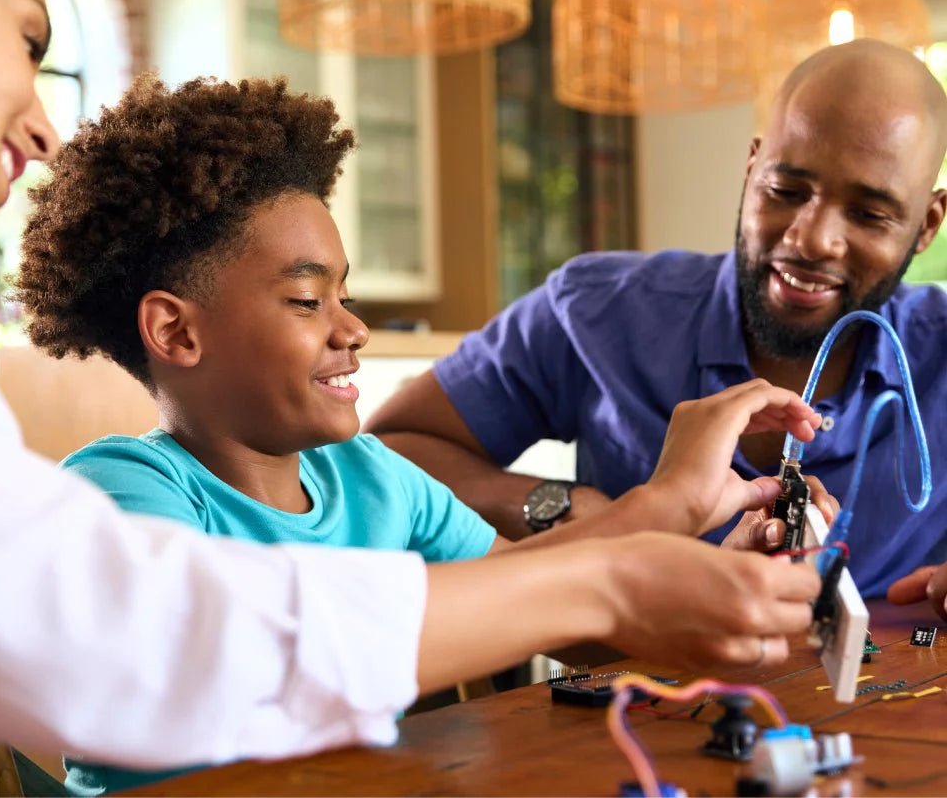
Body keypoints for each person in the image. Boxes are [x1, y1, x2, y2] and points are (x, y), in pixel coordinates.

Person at [0, 0, 821, 794]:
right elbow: (174, 640)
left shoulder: (370, 477)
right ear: (175, 332)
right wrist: (627, 557)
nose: (40, 126)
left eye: (344, 292)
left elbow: (523, 597)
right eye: (30, 38)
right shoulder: (126, 490)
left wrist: (678, 531)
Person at [368, 38, 947, 608]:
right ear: (751, 169)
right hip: (636, 695)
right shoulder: (598, 311)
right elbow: (392, 451)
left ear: (927, 224)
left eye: (869, 214)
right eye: (786, 190)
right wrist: (571, 509)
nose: (811, 238)